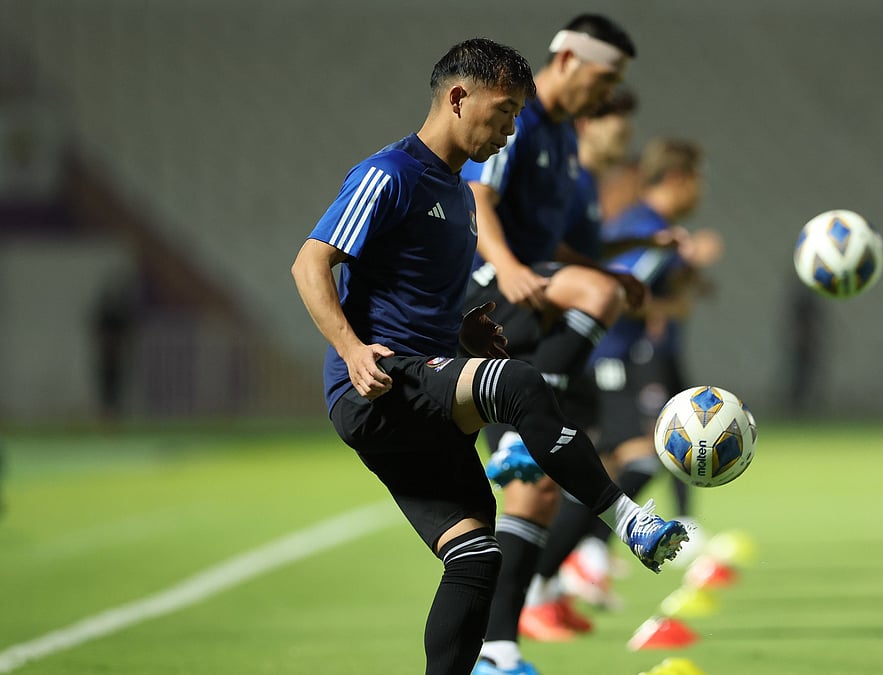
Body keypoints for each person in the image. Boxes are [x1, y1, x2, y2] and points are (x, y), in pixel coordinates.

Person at [290, 38, 688, 675]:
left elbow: (414, 296)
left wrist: (464, 338)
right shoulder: (389, 174)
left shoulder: (455, 194)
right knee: (521, 385)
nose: (508, 131)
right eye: (502, 112)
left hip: (417, 395)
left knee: (476, 555)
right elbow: (311, 262)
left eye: (516, 117)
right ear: (457, 97)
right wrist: (350, 347)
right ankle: (626, 518)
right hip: (379, 382)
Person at [457, 16, 652, 675]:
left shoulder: (567, 138)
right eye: (607, 77)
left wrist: (609, 268)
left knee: (534, 491)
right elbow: (479, 199)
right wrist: (508, 265)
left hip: (532, 303)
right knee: (596, 299)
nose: (609, 92)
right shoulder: (521, 117)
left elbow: (556, 248)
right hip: (488, 294)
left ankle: (496, 650)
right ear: (567, 58)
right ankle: (519, 434)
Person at [525, 138, 723, 628]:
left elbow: (655, 285)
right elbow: (618, 291)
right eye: (696, 179)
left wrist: (687, 280)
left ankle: (571, 566)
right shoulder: (644, 228)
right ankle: (557, 569)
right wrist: (666, 305)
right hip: (614, 358)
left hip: (624, 358)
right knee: (637, 457)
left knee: (612, 464)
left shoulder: (651, 230)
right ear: (677, 180)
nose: (700, 190)